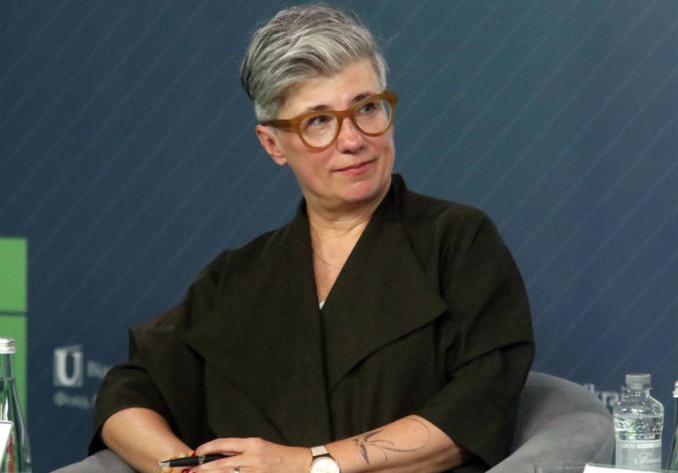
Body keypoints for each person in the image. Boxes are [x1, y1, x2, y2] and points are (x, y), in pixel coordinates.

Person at [91, 4, 534, 473]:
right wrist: (184, 470)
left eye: (367, 108)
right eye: (318, 121)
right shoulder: (236, 277)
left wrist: (308, 463)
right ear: (272, 144)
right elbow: (128, 392)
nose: (353, 139)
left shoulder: (457, 241)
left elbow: (480, 405)